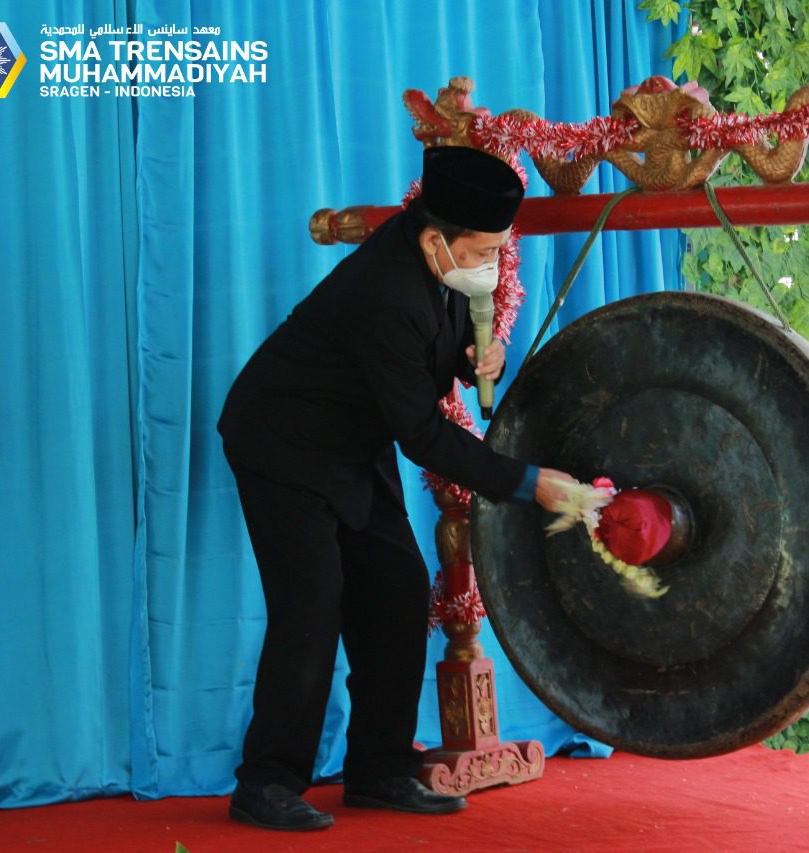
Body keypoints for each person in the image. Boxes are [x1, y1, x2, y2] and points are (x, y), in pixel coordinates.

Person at [217, 145, 576, 831]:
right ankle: (266, 781)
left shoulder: (438, 264)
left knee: (398, 590)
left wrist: (478, 360)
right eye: (483, 250)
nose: (493, 263)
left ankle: (379, 769)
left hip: (354, 441)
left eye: (499, 249)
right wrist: (527, 483)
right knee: (312, 606)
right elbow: (424, 435)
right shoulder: (385, 290)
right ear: (437, 239)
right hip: (284, 441)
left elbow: (432, 352)